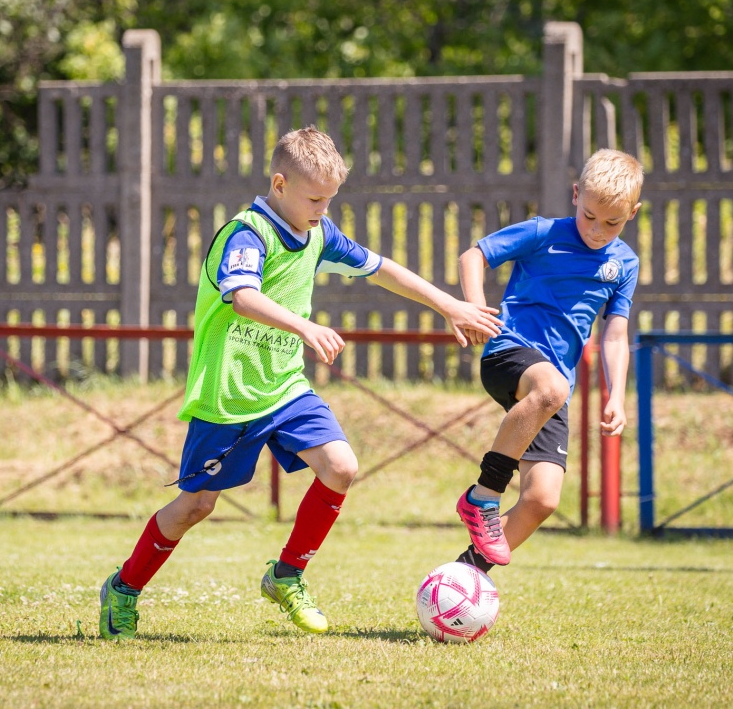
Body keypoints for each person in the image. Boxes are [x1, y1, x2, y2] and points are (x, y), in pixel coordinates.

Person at [98, 126, 504, 639]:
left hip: (286, 387)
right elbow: (242, 296)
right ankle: (123, 589)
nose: (323, 209)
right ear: (279, 183)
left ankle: (286, 576)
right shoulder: (247, 233)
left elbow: (381, 269)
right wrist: (305, 326)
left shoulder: (318, 233)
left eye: (330, 199)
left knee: (341, 466)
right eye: (315, 198)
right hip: (229, 393)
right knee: (196, 506)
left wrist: (451, 305)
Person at [452, 148, 643, 571]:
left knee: (542, 499)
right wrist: (477, 309)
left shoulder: (624, 263)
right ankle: (482, 496)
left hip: (553, 390)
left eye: (612, 222)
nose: (596, 230)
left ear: (633, 212)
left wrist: (617, 396)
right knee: (552, 386)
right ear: (576, 195)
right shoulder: (543, 232)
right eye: (590, 215)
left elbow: (614, 332)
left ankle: (463, 578)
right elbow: (474, 256)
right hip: (509, 352)